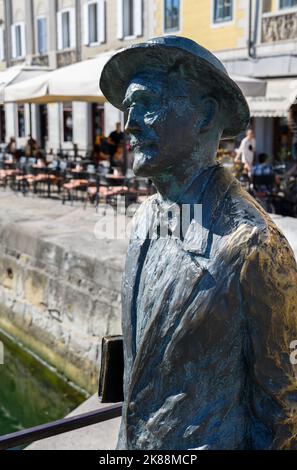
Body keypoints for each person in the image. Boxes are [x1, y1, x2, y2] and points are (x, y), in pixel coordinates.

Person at [100, 36, 297, 450]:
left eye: (147, 102)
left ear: (206, 114)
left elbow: (280, 410)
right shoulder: (144, 218)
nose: (130, 123)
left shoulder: (253, 246)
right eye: (127, 109)